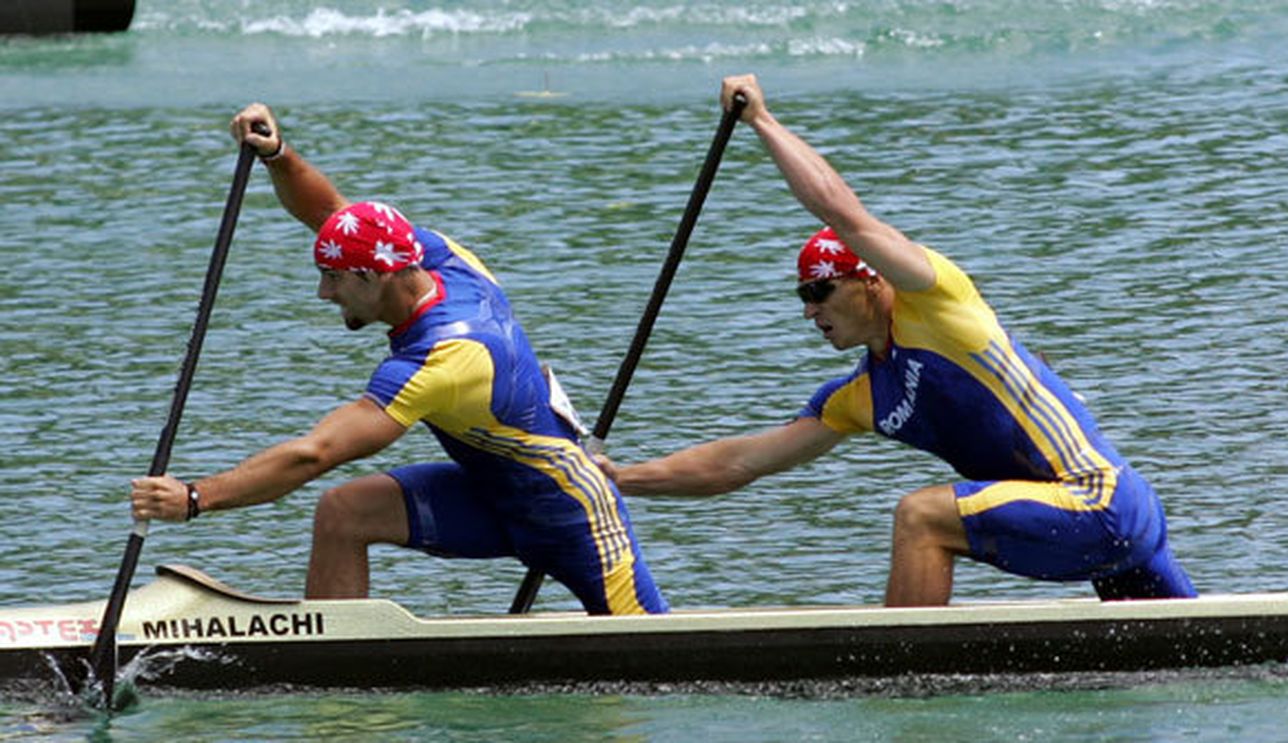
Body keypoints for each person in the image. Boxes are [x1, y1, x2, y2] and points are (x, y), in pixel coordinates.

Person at [601, 74, 1197, 607]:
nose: (810, 311)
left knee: (920, 515)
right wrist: (619, 478)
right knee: (1204, 651)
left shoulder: (937, 303)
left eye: (820, 292)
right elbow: (736, 464)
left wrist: (761, 120)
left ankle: (901, 684)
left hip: (1102, 502)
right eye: (801, 298)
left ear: (870, 280)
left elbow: (845, 214)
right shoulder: (859, 396)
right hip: (1098, 534)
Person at [128, 103, 668, 615]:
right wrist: (277, 155)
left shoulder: (442, 360)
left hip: (570, 511)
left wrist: (196, 498)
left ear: (374, 276)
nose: (323, 293)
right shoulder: (440, 257)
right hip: (487, 494)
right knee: (344, 513)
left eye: (333, 278)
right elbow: (337, 216)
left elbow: (314, 454)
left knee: (658, 656)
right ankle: (334, 671)